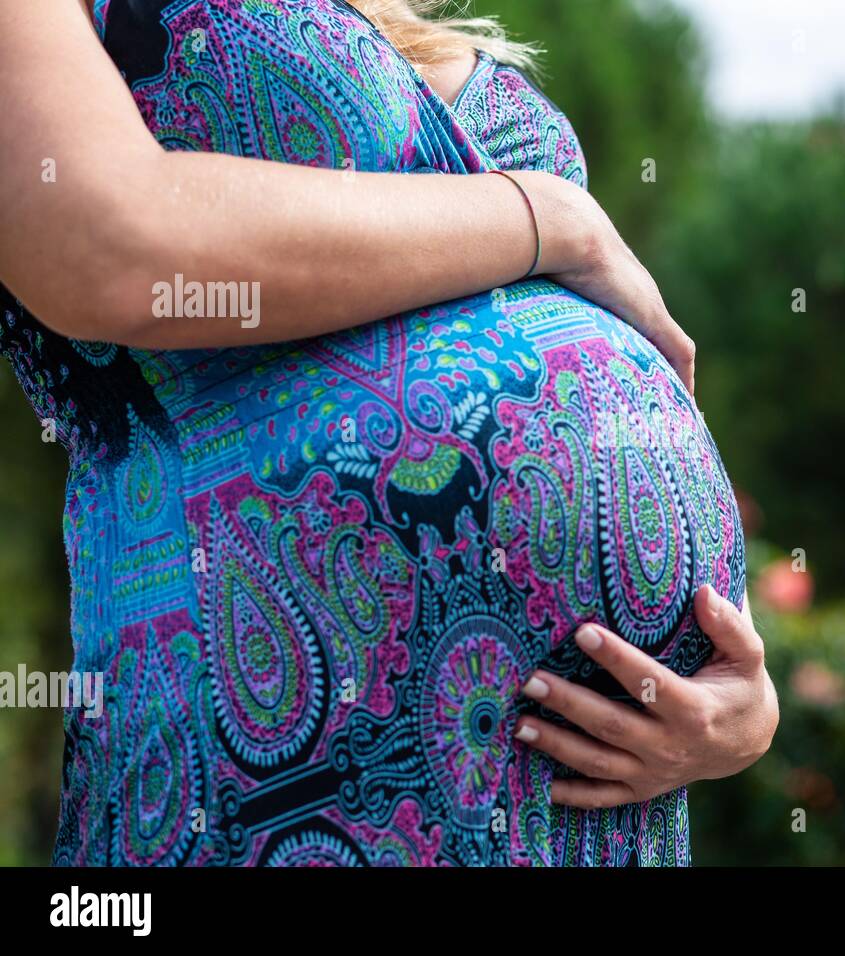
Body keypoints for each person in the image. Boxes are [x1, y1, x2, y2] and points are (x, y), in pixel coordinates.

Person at [0, 0, 777, 866]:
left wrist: (738, 694)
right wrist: (556, 219)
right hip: (281, 763)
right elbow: (106, 246)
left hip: (584, 801)